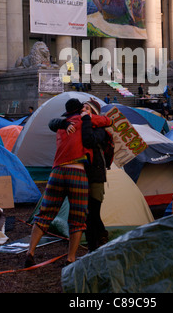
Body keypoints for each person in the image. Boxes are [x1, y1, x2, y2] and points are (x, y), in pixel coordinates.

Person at [24, 98, 109, 268]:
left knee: (45, 213)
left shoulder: (63, 124)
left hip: (57, 171)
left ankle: (30, 251)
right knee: (77, 218)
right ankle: (71, 258)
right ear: (79, 110)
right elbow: (108, 120)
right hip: (77, 172)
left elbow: (52, 123)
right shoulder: (85, 120)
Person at [81, 98, 114, 252]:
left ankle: (93, 247)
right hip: (81, 173)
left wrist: (87, 121)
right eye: (82, 108)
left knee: (92, 211)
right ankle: (100, 236)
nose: (83, 110)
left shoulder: (100, 130)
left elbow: (89, 141)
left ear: (93, 112)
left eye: (87, 108)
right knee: (88, 212)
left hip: (96, 173)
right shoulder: (80, 125)